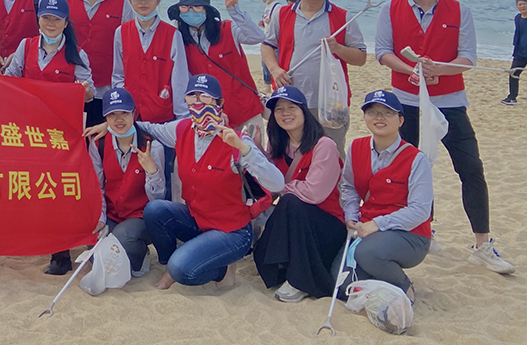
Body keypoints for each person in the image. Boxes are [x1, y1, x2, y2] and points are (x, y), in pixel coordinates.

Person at [374, 0, 514, 274]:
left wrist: (440, 69)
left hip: (450, 102)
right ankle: (425, 232)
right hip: (406, 102)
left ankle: (482, 244)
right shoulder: (390, 9)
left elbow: (468, 57)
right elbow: (382, 52)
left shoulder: (459, 10)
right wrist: (411, 69)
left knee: (471, 168)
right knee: (412, 169)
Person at [138, 75, 284, 290]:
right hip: (198, 218)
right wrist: (114, 125)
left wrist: (244, 149)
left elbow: (277, 183)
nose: (198, 103)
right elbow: (149, 128)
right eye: (192, 96)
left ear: (219, 102)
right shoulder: (182, 129)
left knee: (182, 269)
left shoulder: (236, 140)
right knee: (155, 211)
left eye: (205, 97)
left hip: (232, 231)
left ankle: (222, 269)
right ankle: (173, 263)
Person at [3, 0, 93, 275]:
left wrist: (85, 92)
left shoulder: (77, 54)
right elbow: (11, 79)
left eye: (56, 18)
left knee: (57, 189)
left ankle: (61, 253)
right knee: (30, 183)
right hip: (29, 129)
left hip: (61, 133)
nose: (50, 23)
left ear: (66, 23)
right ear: (38, 19)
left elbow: (88, 92)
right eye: (45, 17)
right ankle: (33, 237)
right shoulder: (26, 46)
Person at [261, 0, 366, 153]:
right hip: (290, 98)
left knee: (332, 152)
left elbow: (361, 57)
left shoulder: (343, 16)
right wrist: (274, 69)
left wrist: (338, 49)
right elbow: (267, 45)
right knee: (289, 151)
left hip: (331, 101)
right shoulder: (282, 14)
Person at [252, 86, 347, 302]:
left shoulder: (324, 146)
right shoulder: (278, 142)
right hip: (295, 220)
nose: (285, 113)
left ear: (304, 111)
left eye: (291, 107)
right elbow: (268, 178)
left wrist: (281, 186)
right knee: (263, 250)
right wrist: (257, 152)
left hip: (327, 222)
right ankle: (287, 268)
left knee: (291, 201)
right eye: (279, 109)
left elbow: (314, 193)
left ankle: (300, 280)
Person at [339, 90, 434, 300]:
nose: (379, 117)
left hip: (409, 233)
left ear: (400, 120)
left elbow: (420, 210)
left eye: (387, 112)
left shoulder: (417, 159)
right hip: (365, 227)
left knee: (368, 254)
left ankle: (403, 286)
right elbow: (349, 187)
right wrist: (351, 216)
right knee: (341, 285)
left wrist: (378, 224)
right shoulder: (356, 147)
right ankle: (380, 280)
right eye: (372, 112)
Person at [169, 0, 266, 140]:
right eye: (185, 7)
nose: (191, 11)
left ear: (207, 10)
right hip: (211, 117)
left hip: (246, 111)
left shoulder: (228, 29)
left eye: (197, 7)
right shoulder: (179, 41)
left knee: (253, 153)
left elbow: (257, 37)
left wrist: (235, 11)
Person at [89, 88, 165, 277]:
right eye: (112, 115)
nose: (119, 119)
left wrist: (152, 171)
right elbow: (97, 186)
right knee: (94, 247)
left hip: (140, 216)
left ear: (134, 113)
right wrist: (100, 219)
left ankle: (141, 254)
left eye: (124, 112)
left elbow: (158, 198)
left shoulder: (152, 146)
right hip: (113, 213)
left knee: (123, 240)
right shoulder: (98, 144)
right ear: (105, 118)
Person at [111, 0, 189, 123]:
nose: (143, 1)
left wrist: (182, 116)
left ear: (158, 0)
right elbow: (118, 74)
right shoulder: (121, 32)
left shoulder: (173, 35)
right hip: (130, 113)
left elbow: (180, 78)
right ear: (130, 1)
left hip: (162, 113)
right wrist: (121, 105)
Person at [63, 0, 126, 125]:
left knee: (102, 137)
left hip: (107, 88)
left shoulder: (123, 3)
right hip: (72, 86)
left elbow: (130, 45)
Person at [503, 0, 527, 106]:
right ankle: (512, 98)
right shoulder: (517, 18)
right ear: (517, 7)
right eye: (520, 4)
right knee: (513, 74)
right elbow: (518, 34)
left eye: (524, 4)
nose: (522, 6)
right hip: (520, 53)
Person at [258, 0, 279, 90]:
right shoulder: (267, 7)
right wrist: (263, 23)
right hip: (266, 37)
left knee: (273, 63)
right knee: (264, 63)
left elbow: (279, 23)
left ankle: (273, 85)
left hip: (274, 41)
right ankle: (267, 86)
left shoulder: (277, 7)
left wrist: (271, 22)